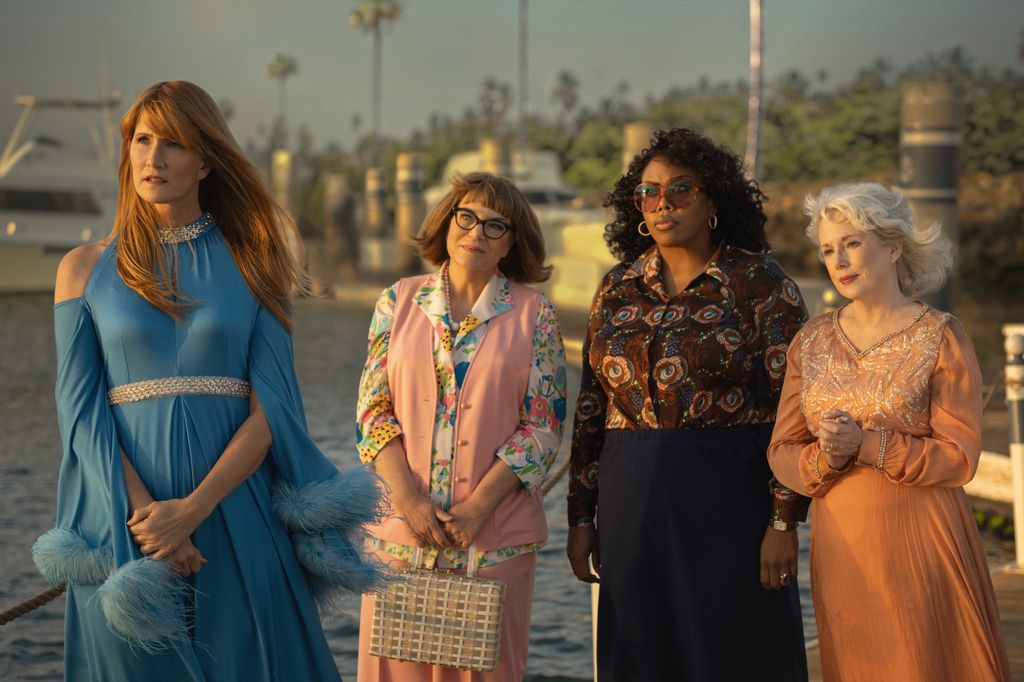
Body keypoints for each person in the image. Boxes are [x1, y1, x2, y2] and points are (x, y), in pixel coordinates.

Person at [32, 80, 383, 681]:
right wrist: (156, 524)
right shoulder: (82, 269)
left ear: (206, 160)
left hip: (234, 512)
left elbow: (275, 408)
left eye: (173, 143)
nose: (154, 157)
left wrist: (193, 510)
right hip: (124, 525)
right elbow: (81, 414)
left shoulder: (257, 258)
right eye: (142, 140)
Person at [566, 128, 810, 680]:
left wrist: (784, 520)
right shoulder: (616, 287)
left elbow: (795, 411)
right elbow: (590, 409)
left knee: (734, 653)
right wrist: (582, 517)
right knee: (642, 653)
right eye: (648, 193)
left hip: (729, 502)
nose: (662, 204)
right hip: (630, 501)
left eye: (680, 188)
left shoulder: (760, 284)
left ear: (713, 197)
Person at [768, 182, 1010, 681]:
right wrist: (828, 459)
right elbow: (783, 450)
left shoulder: (939, 334)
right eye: (829, 249)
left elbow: (960, 456)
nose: (839, 259)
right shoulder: (811, 341)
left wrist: (867, 444)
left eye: (852, 243)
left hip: (922, 538)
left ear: (894, 246)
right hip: (843, 547)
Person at [354, 172, 567, 682]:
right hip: (400, 540)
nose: (478, 232)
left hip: (495, 542)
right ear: (447, 222)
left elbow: (542, 427)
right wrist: (407, 500)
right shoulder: (397, 301)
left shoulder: (535, 314)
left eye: (496, 226)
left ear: (512, 243)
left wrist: (476, 509)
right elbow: (372, 411)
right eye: (467, 217)